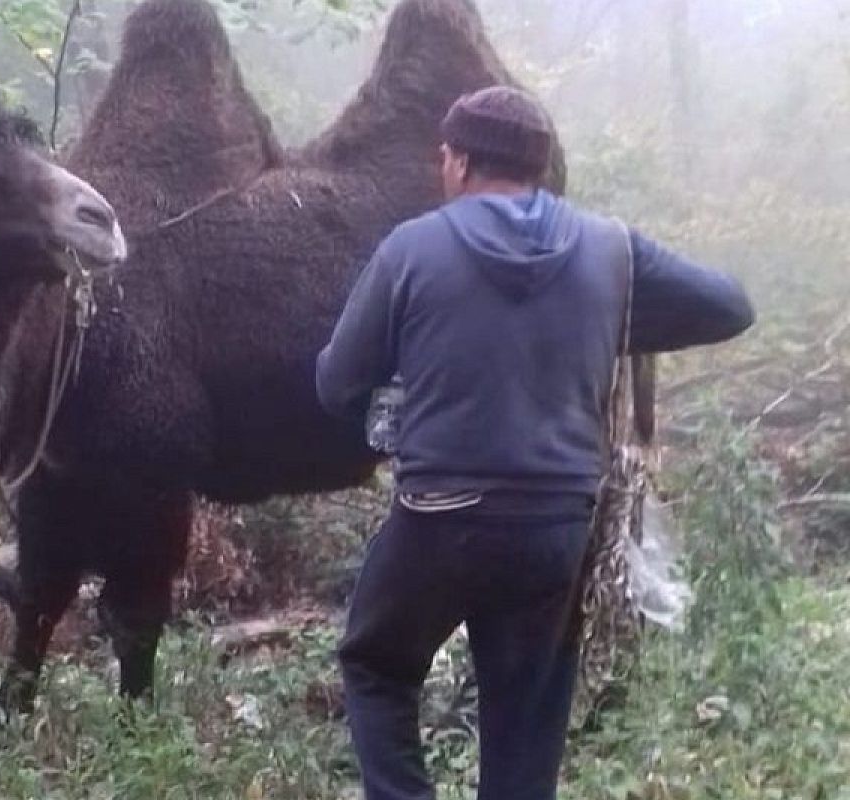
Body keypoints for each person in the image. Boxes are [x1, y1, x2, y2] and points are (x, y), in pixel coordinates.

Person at [315, 85, 754, 800]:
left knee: (376, 664)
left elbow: (335, 382)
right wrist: (602, 319)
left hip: (439, 517)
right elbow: (731, 307)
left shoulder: (412, 248)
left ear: (457, 162)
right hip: (555, 529)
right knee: (524, 726)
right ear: (543, 168)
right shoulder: (611, 247)